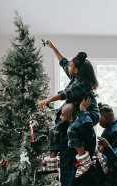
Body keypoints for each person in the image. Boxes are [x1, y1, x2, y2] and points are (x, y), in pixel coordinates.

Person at [38, 40, 99, 178]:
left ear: (76, 70)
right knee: (56, 129)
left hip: (90, 113)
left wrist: (47, 100)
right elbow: (63, 61)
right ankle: (52, 164)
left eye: (71, 65)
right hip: (78, 111)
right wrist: (53, 47)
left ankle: (85, 161)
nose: (68, 66)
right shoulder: (75, 74)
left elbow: (64, 94)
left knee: (72, 130)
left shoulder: (81, 84)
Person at [59, 101, 99, 186]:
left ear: (71, 118)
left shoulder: (82, 131)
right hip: (72, 182)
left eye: (62, 115)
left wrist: (82, 111)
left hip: (82, 183)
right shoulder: (66, 132)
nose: (60, 117)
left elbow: (86, 124)